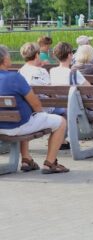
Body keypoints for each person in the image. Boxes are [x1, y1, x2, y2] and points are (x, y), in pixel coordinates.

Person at [0, 45, 69, 174]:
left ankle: (27, 159)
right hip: (17, 126)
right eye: (8, 55)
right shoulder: (15, 77)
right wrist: (41, 116)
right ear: (4, 59)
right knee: (61, 122)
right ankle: (50, 163)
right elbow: (36, 104)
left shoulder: (19, 73)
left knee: (26, 114)